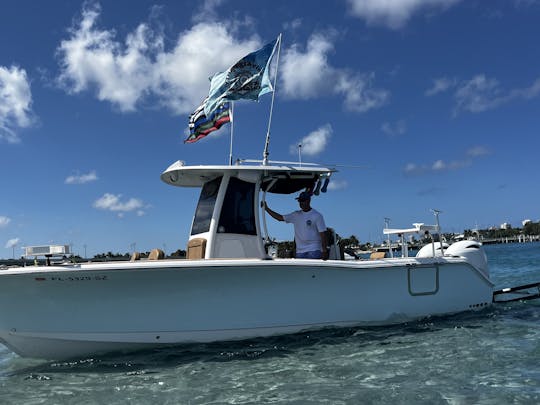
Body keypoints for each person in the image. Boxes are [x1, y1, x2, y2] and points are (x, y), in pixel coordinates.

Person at [263, 191, 328, 260]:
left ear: (309, 200)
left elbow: (323, 235)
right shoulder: (295, 215)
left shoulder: (317, 216)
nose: (301, 203)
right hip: (300, 252)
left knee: (312, 271)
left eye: (303, 200)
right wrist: (266, 209)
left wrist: (324, 251)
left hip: (314, 250)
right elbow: (280, 218)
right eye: (299, 201)